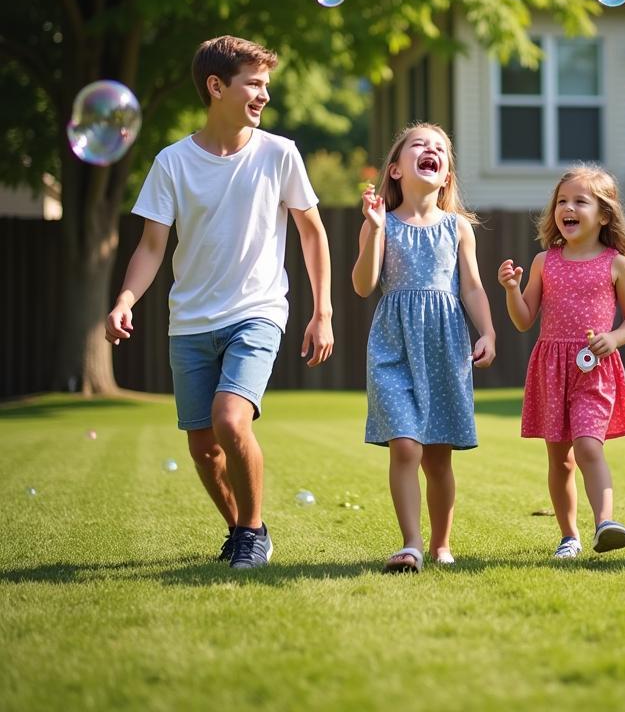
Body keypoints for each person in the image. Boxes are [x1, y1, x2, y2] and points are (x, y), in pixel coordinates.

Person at [105, 35, 334, 570]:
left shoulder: (279, 154)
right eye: (253, 84)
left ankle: (254, 535)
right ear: (216, 87)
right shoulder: (172, 162)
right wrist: (124, 299)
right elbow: (152, 245)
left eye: (266, 86)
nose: (263, 96)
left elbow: (313, 234)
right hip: (188, 322)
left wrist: (322, 312)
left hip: (257, 311)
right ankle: (239, 528)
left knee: (231, 420)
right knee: (203, 447)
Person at [352, 123, 496, 573]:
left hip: (444, 347)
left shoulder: (457, 228)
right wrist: (374, 230)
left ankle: (441, 543)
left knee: (437, 457)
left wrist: (488, 332)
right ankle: (411, 543)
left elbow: (471, 287)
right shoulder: (381, 223)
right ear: (395, 170)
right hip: (393, 348)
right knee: (406, 448)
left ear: (446, 174)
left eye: (440, 149)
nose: (431, 151)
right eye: (420, 145)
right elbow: (362, 285)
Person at [498, 164, 625, 560]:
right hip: (551, 369)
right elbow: (524, 319)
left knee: (587, 448)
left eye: (580, 201)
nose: (568, 207)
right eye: (562, 200)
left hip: (593, 370)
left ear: (605, 214)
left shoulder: (615, 263)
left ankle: (605, 523)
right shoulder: (546, 262)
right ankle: (569, 537)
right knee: (559, 460)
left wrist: (613, 339)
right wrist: (512, 289)